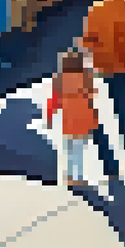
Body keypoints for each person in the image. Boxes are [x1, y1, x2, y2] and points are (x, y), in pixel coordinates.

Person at [80, 0, 125, 155]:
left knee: (116, 97)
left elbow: (88, 39)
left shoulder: (95, 11)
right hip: (124, 60)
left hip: (105, 62)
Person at [46, 50, 100, 188]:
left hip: (68, 118)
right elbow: (91, 94)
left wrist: (49, 116)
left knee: (69, 148)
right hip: (82, 115)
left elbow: (54, 100)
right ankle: (79, 177)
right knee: (79, 150)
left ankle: (69, 175)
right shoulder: (86, 76)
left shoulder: (59, 78)